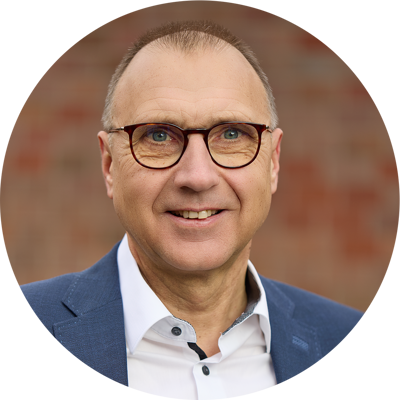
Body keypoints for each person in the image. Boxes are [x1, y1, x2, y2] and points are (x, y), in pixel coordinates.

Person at [18, 20, 365, 397]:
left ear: (273, 161)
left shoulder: (343, 336)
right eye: (158, 136)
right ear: (109, 165)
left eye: (232, 134)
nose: (198, 177)